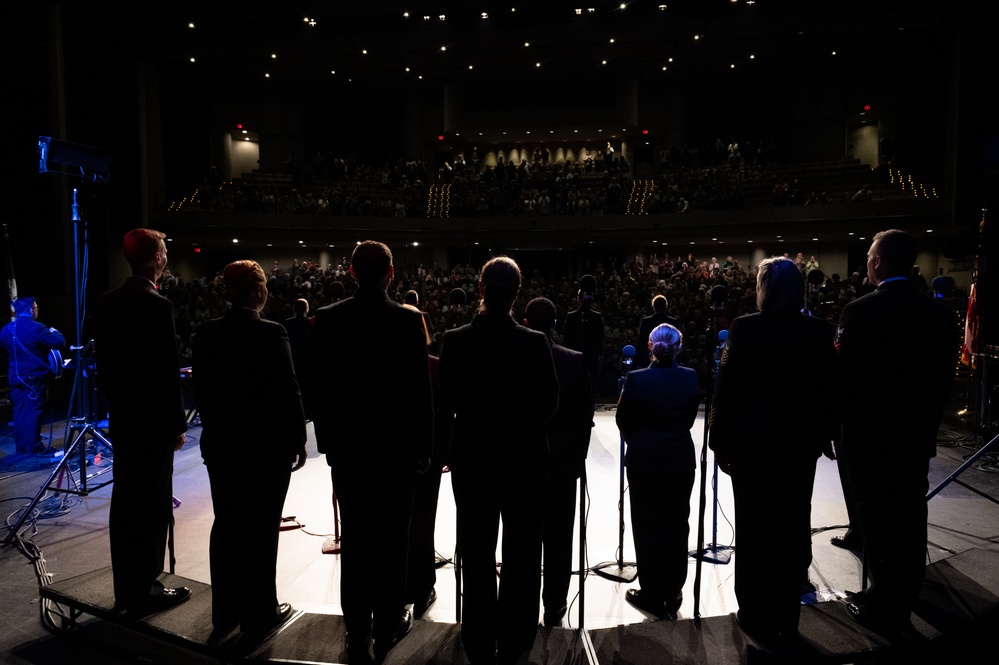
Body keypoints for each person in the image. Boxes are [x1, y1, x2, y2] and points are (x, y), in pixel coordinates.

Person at [310, 240, 433, 664]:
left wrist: (328, 444)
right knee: (393, 541)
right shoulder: (408, 319)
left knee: (357, 541)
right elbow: (420, 393)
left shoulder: (327, 319)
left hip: (349, 452)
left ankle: (357, 627)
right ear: (392, 273)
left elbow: (319, 389)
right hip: (396, 452)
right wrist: (424, 448)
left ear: (350, 273)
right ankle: (387, 626)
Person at [708, 256, 837, 643]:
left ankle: (755, 612)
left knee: (754, 527)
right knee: (792, 523)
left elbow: (725, 391)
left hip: (753, 448)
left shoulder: (745, 328)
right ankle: (786, 615)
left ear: (763, 288)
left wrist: (718, 441)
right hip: (798, 447)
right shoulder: (817, 331)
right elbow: (830, 390)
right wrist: (825, 436)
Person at [439, 257, 559, 665]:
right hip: (524, 458)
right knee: (523, 551)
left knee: (476, 549)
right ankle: (516, 636)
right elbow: (549, 404)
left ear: (481, 288)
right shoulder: (534, 342)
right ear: (516, 293)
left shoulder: (456, 340)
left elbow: (451, 399)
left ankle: (477, 637)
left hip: (473, 456)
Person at [836, 229, 956, 637]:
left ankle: (883, 606)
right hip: (914, 436)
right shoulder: (939, 315)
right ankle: (905, 592)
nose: (868, 261)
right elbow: (944, 382)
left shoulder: (859, 311)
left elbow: (845, 381)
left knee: (878, 520)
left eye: (869, 255)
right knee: (909, 512)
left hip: (869, 440)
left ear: (879, 262)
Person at [192, 260, 307, 642]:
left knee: (227, 524)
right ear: (259, 292)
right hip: (265, 448)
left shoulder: (206, 333)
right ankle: (260, 612)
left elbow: (202, 393)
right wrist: (298, 439)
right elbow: (288, 390)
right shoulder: (272, 333)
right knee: (260, 528)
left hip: (223, 444)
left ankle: (225, 612)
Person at [93, 228, 190, 616]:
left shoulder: (105, 302)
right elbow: (166, 373)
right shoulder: (156, 304)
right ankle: (146, 587)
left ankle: (126, 587)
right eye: (164, 251)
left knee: (126, 504)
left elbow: (108, 370)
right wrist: (176, 424)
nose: (166, 256)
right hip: (153, 425)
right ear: (155, 259)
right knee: (151, 507)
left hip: (125, 420)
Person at [616, 323, 699, 621]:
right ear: (679, 346)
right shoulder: (690, 378)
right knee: (677, 524)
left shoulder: (635, 379)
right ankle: (673, 590)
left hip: (645, 460)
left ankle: (652, 591)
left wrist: (642, 441)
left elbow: (623, 421)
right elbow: (689, 419)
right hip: (679, 459)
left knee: (647, 523)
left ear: (649, 345)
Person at [523, 297, 594, 627]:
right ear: (555, 323)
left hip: (523, 462)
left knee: (523, 537)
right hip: (563, 462)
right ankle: (554, 604)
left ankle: (522, 604)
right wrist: (578, 456)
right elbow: (585, 416)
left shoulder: (514, 357)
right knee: (559, 537)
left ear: (525, 320)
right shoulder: (574, 360)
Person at [402, 304, 451, 621]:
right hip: (429, 454)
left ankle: (398, 585)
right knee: (422, 520)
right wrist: (445, 453)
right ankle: (421, 587)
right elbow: (444, 417)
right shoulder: (434, 367)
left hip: (392, 454)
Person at [1, 297, 65, 455]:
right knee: (33, 411)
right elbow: (58, 343)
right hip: (32, 376)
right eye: (36, 308)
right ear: (31, 310)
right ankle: (33, 447)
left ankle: (21, 447)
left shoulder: (6, 329)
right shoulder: (36, 328)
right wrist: (55, 332)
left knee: (19, 411)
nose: (37, 310)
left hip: (14, 376)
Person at [563, 274, 604, 394]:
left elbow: (567, 338)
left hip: (580, 357)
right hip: (585, 358)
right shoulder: (595, 317)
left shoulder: (572, 317)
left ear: (578, 298)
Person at [282, 298, 313, 419]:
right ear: (307, 309)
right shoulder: (311, 323)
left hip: (294, 360)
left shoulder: (287, 324)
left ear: (294, 309)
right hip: (308, 360)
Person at [635, 295, 681, 368]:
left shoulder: (646, 321)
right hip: (670, 358)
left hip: (650, 357)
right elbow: (677, 342)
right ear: (666, 307)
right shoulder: (673, 321)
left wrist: (640, 360)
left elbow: (641, 341)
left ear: (653, 307)